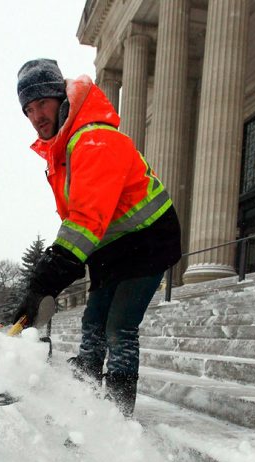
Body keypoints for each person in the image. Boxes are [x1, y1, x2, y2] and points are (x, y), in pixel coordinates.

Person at [12, 59, 182, 416]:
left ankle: (118, 418)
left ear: (60, 97)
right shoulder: (64, 151)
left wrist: (47, 277)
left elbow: (85, 219)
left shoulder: (95, 139)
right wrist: (44, 283)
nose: (36, 115)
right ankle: (84, 408)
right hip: (111, 248)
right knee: (92, 326)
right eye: (28, 109)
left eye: (42, 102)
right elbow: (78, 220)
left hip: (147, 240)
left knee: (119, 326)